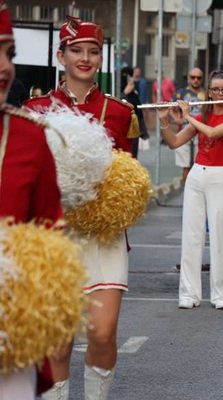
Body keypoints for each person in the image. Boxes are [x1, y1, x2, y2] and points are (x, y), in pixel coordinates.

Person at [25, 16, 139, 400]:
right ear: (61, 56)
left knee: (103, 334)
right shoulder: (35, 109)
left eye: (92, 52)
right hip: (54, 238)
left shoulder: (120, 112)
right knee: (56, 343)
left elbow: (130, 174)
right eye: (76, 51)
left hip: (103, 235)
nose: (85, 58)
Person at [0, 4, 63, 398]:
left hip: (11, 335)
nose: (5, 67)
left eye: (9, 53)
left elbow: (49, 238)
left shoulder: (29, 136)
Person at [157, 70, 223, 309]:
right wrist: (164, 120)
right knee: (191, 236)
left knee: (220, 236)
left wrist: (186, 115)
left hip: (220, 176)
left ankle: (220, 294)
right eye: (216, 89)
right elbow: (174, 143)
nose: (221, 93)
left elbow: (212, 133)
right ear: (210, 93)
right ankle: (189, 294)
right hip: (197, 176)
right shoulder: (202, 116)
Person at [172, 68, 206, 183]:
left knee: (200, 165)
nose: (195, 80)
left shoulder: (206, 94)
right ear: (188, 78)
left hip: (201, 133)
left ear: (202, 79)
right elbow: (170, 108)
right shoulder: (181, 93)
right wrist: (177, 119)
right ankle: (185, 192)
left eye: (198, 77)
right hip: (184, 133)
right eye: (193, 77)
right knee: (186, 166)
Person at [120, 67, 149, 158]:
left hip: (133, 129)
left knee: (132, 156)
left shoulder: (134, 93)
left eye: (130, 75)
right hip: (121, 128)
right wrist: (124, 93)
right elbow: (115, 103)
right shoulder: (117, 89)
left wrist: (143, 130)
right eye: (126, 75)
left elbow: (138, 113)